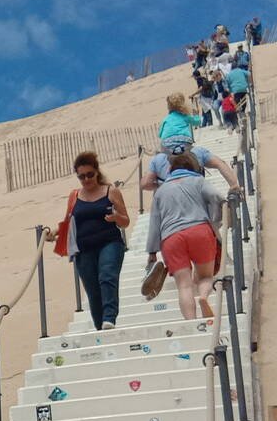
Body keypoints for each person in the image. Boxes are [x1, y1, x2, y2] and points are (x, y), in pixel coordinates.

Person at [55, 151, 130, 331]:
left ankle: (110, 318)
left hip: (110, 243)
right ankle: (100, 328)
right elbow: (68, 221)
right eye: (82, 176)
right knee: (93, 290)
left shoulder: (111, 191)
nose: (86, 179)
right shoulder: (74, 196)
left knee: (107, 276)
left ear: (97, 172)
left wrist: (115, 217)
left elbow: (125, 221)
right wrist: (54, 233)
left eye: (90, 174)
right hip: (84, 249)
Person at [147, 151, 222, 320]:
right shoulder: (198, 181)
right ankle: (203, 297)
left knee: (184, 286)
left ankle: (191, 322)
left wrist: (152, 251)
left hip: (171, 237)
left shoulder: (160, 191)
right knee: (205, 276)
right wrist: (216, 221)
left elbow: (154, 222)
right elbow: (217, 197)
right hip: (199, 230)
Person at [141, 134, 241, 194]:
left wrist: (161, 185)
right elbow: (220, 163)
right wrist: (234, 186)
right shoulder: (198, 152)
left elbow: (145, 184)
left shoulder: (157, 160)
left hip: (169, 200)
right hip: (197, 193)